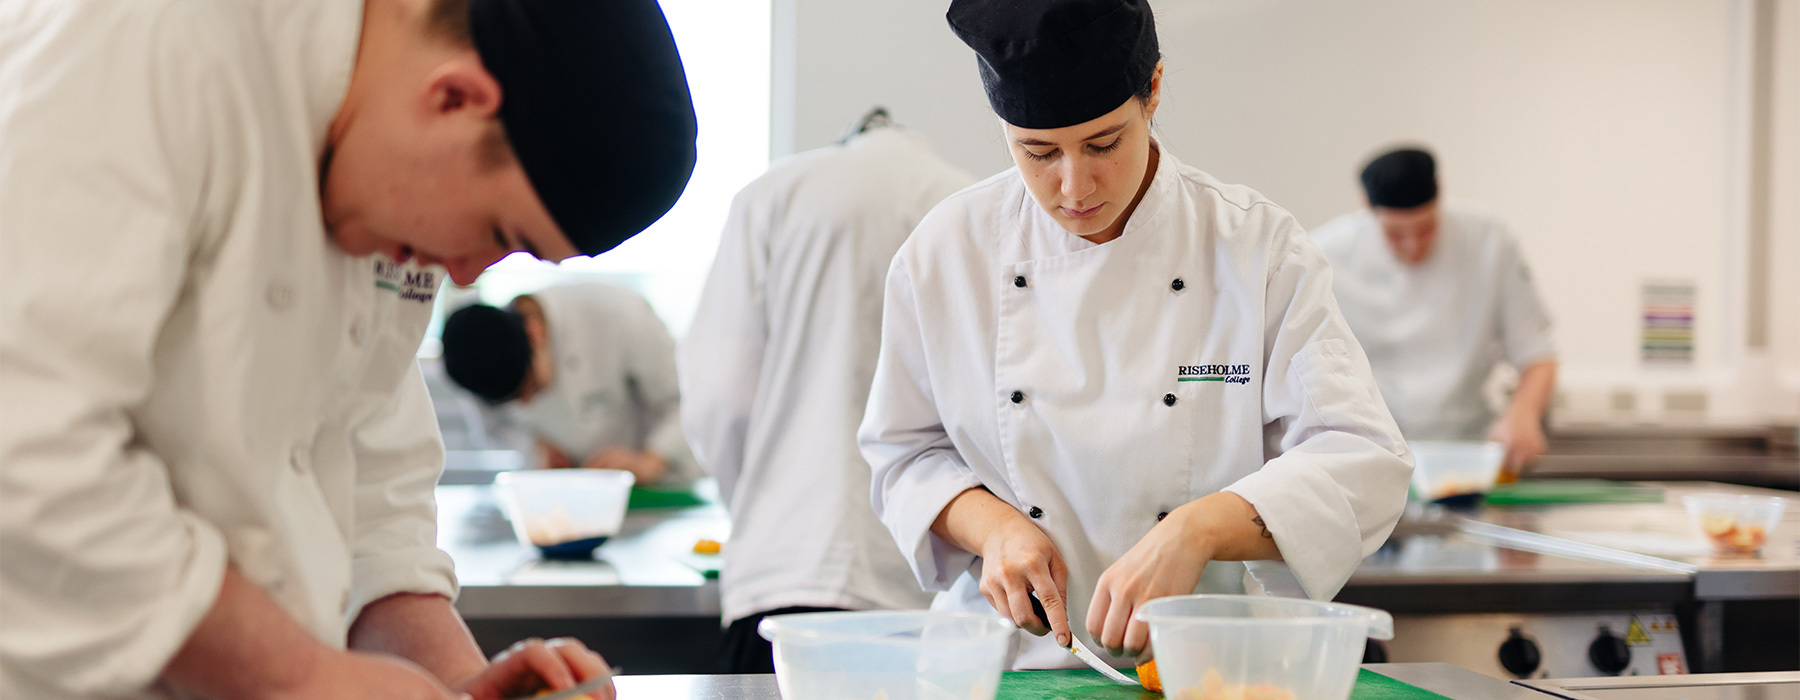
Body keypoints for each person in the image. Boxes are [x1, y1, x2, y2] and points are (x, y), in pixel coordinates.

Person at [0, 0, 697, 697]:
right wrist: (300, 677)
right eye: (497, 231)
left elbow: (374, 497)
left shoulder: (383, 181)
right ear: (454, 98)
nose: (461, 273)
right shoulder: (152, 40)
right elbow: (26, 444)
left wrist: (457, 680)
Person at [858, 0, 1414, 672]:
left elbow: (1363, 458)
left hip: (1207, 663)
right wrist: (994, 527)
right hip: (1009, 665)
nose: (1073, 185)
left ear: (1152, 89)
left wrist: (1199, 529)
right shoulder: (945, 254)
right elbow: (904, 454)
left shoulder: (1253, 247)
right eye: (1037, 152)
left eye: (1102, 144)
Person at [680, 113, 975, 673]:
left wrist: (757, 501)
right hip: (918, 592)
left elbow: (719, 395)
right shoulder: (960, 200)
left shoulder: (769, 195)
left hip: (782, 571)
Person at [1311, 148, 1558, 476]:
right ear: (1366, 207)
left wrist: (1523, 415)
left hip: (1466, 451)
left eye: (1425, 229)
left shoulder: (1489, 239)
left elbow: (1537, 352)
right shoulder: (1324, 254)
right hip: (1368, 453)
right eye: (1396, 235)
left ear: (1440, 195)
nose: (1413, 245)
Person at [441, 283, 700, 486]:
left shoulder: (616, 314)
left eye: (529, 388)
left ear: (535, 333)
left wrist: (651, 460)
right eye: (515, 401)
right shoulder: (473, 357)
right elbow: (495, 428)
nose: (528, 403)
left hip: (658, 491)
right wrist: (536, 447)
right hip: (571, 497)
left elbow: (689, 401)